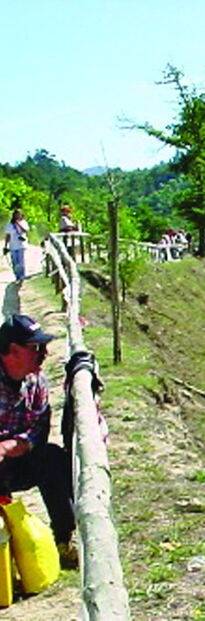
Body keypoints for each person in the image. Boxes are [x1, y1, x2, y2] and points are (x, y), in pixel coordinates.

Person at [0, 314, 77, 566]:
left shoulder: (36, 381)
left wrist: (12, 445)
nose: (44, 353)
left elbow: (39, 429)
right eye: (35, 348)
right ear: (12, 350)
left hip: (14, 461)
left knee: (52, 458)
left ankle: (65, 538)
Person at [4, 207, 30, 282]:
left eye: (19, 215)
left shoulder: (24, 222)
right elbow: (8, 235)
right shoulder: (10, 225)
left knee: (21, 262)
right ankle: (17, 276)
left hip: (21, 245)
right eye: (16, 215)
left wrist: (18, 224)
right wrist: (6, 246)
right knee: (15, 262)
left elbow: (25, 230)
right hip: (13, 245)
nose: (18, 216)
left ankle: (22, 276)